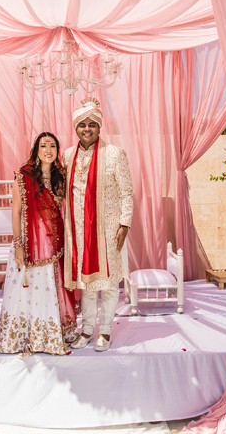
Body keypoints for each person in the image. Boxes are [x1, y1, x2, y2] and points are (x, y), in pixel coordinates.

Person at [0, 132, 78, 355]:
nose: (48, 150)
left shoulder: (61, 177)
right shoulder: (24, 176)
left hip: (55, 244)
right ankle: (26, 333)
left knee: (51, 286)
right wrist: (18, 244)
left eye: (52, 146)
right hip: (29, 243)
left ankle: (50, 332)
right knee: (27, 288)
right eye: (43, 146)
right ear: (36, 151)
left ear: (58, 151)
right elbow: (17, 212)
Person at [64, 98, 133, 352]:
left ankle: (104, 331)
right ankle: (86, 330)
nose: (87, 129)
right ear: (75, 128)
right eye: (82, 124)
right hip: (78, 231)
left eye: (92, 124)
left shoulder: (115, 153)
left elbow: (127, 192)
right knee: (87, 285)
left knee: (109, 283)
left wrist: (124, 224)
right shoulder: (68, 155)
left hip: (108, 231)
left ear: (100, 127)